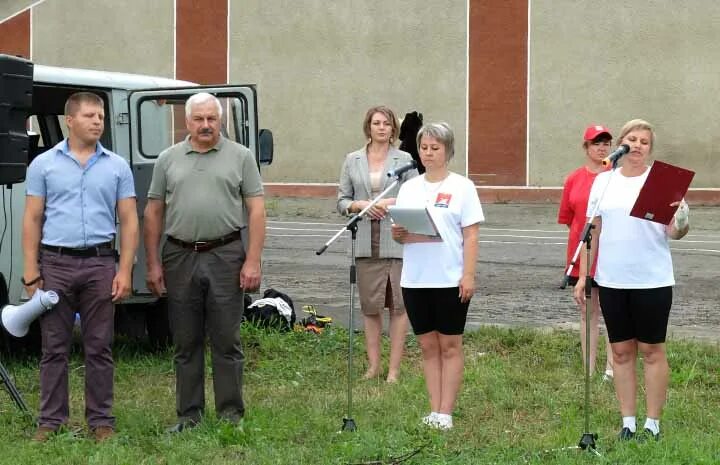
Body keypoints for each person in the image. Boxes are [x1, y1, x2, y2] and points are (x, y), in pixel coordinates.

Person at [143, 92, 266, 432]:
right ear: (187, 122)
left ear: (220, 119)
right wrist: (152, 263)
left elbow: (256, 210)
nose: (206, 125)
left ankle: (230, 415)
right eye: (199, 119)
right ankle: (189, 415)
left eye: (212, 118)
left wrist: (252, 260)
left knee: (227, 339)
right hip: (179, 255)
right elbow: (153, 212)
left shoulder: (241, 157)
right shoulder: (168, 160)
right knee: (185, 340)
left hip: (226, 254)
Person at [22, 92, 139, 442]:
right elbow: (31, 218)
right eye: (90, 116)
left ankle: (101, 421)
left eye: (100, 116)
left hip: (101, 264)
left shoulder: (117, 166)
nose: (97, 121)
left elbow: (129, 220)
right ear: (70, 121)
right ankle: (51, 421)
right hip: (55, 264)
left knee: (99, 346)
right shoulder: (43, 165)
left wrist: (125, 270)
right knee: (54, 346)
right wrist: (31, 270)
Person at [574, 119, 690, 442]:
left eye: (644, 141)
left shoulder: (662, 182)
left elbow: (675, 232)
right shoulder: (604, 183)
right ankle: (628, 422)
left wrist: (681, 220)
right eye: (632, 139)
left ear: (650, 148)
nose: (637, 145)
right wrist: (585, 275)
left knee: (652, 350)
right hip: (613, 280)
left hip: (652, 280)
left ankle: (652, 423)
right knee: (622, 351)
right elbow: (592, 232)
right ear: (620, 144)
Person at [391, 122, 484, 430]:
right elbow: (402, 236)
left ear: (448, 150)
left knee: (450, 345)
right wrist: (398, 233)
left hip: (449, 278)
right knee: (428, 346)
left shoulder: (462, 187)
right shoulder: (409, 187)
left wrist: (467, 275)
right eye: (424, 148)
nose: (428, 154)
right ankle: (433, 410)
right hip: (416, 279)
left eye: (435, 148)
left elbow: (470, 236)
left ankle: (446, 412)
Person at [337, 105, 417, 383]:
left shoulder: (405, 159)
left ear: (394, 129)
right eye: (376, 123)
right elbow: (342, 201)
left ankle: (393, 371)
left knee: (398, 307)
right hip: (364, 244)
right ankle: (373, 366)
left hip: (395, 241)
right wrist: (360, 205)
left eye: (387, 124)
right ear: (368, 127)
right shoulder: (352, 160)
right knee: (371, 308)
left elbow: (416, 195)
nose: (382, 128)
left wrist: (387, 203)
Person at [558, 125, 614, 380]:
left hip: (611, 253)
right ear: (586, 147)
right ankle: (588, 369)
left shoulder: (616, 177)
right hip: (583, 254)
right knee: (587, 312)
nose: (601, 148)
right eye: (596, 143)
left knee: (614, 312)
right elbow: (570, 219)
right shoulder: (573, 179)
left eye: (606, 143)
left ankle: (613, 368)